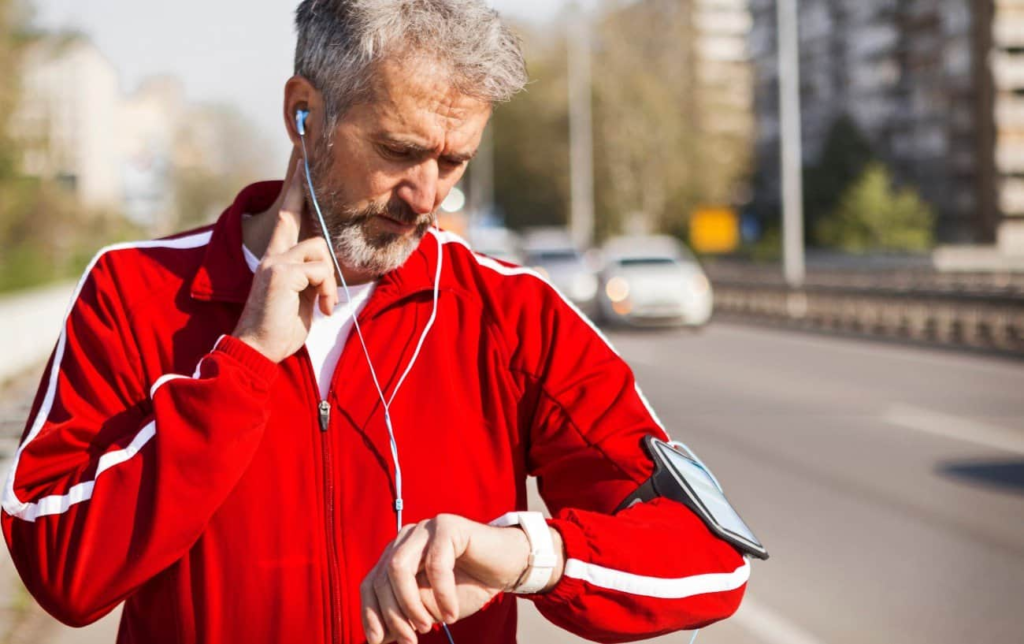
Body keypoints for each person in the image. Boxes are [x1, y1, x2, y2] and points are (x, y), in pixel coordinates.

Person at [1, 1, 749, 643]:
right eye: (400, 151)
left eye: (454, 163)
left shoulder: (513, 316)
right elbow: (63, 570)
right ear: (304, 113)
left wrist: (526, 554)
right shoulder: (136, 290)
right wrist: (244, 370)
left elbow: (712, 559)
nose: (427, 197)